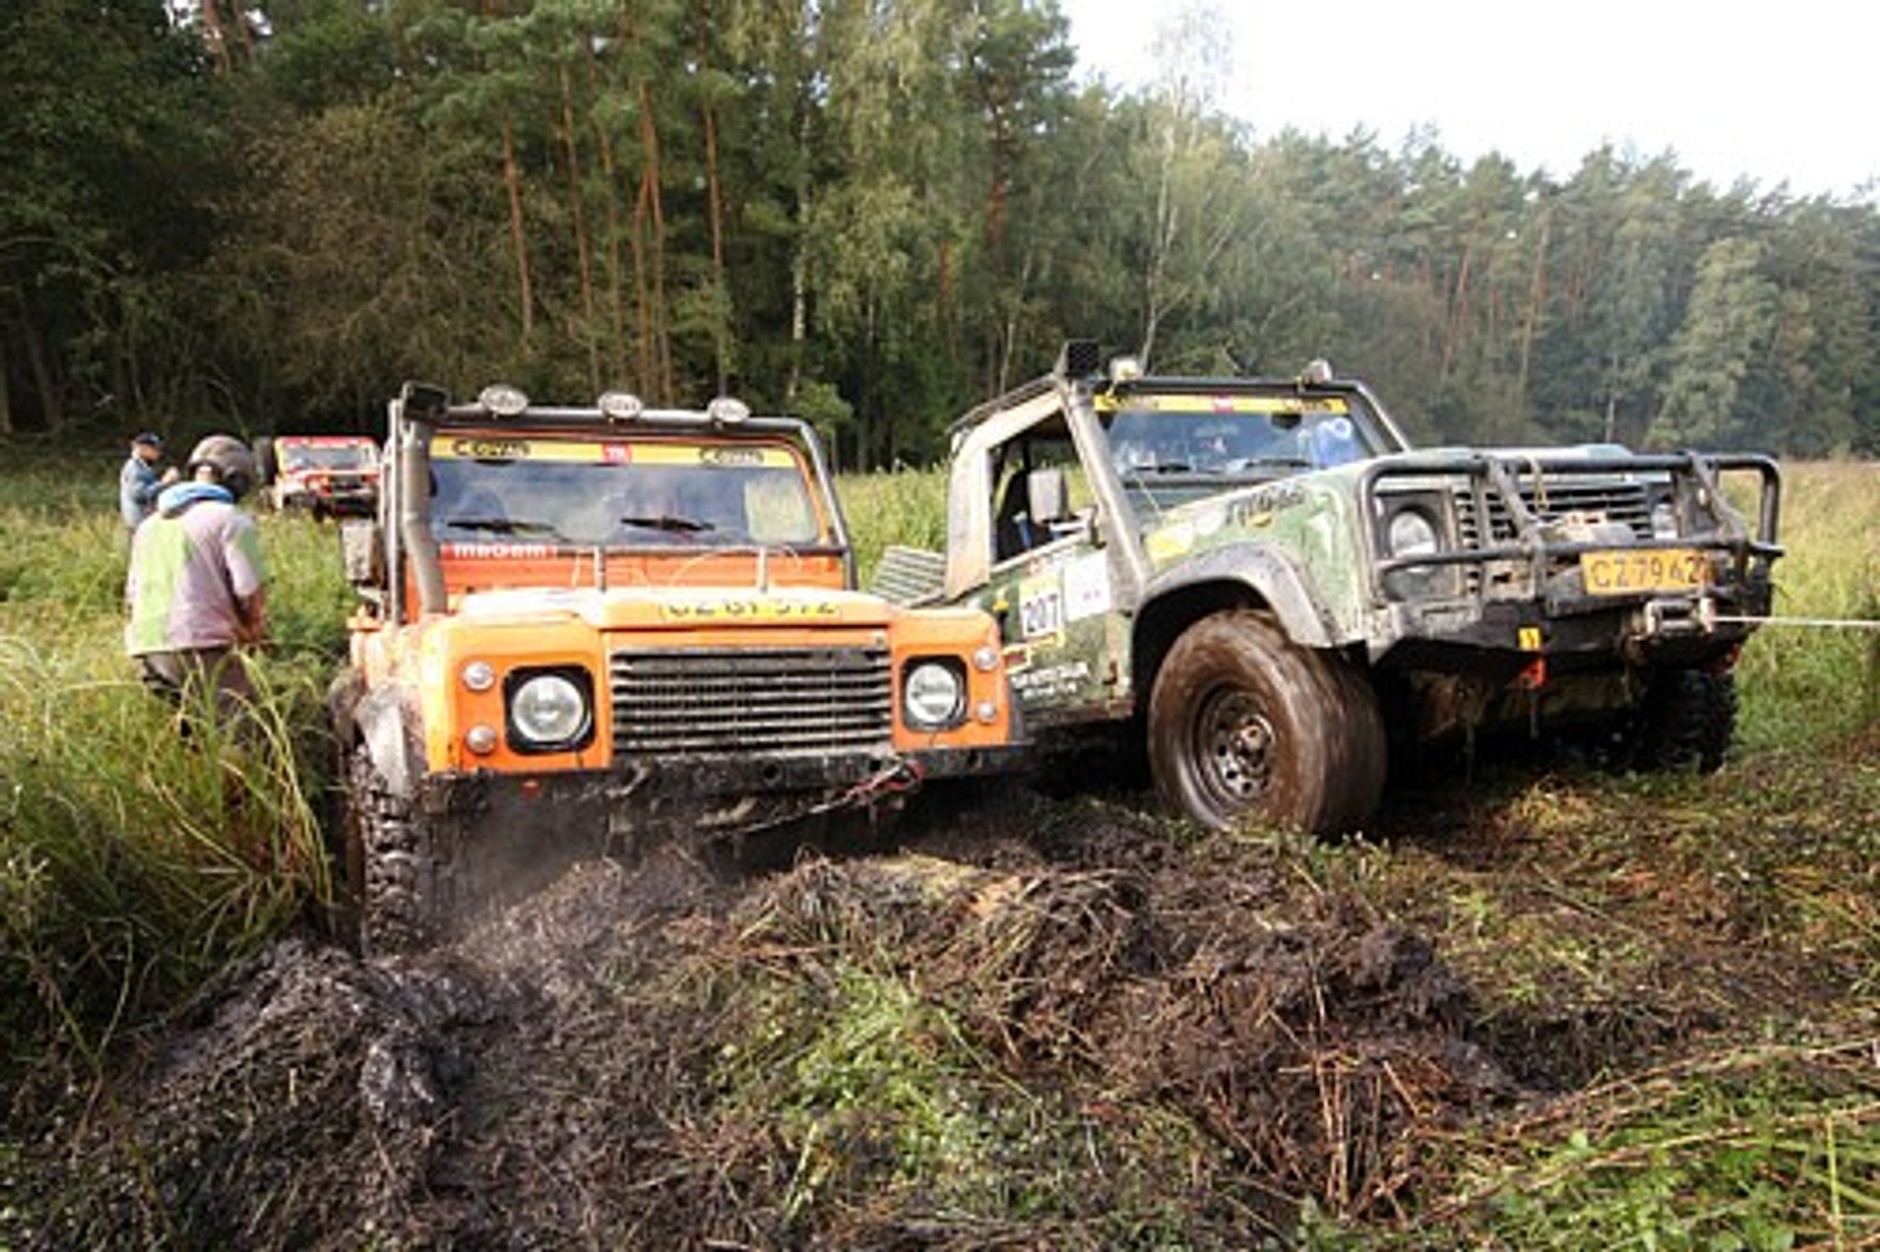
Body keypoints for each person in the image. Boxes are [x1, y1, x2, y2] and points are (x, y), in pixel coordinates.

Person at [124, 434, 269, 732]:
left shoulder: (148, 526)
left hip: (146, 648)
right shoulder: (234, 520)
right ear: (237, 480)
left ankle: (190, 776)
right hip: (200, 644)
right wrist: (254, 630)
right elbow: (250, 588)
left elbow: (130, 595)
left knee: (191, 732)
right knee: (247, 733)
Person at [118, 431, 178, 541]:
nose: (158, 452)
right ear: (141, 448)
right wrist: (165, 483)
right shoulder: (134, 468)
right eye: (154, 448)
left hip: (142, 524)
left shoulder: (142, 467)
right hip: (138, 525)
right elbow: (139, 494)